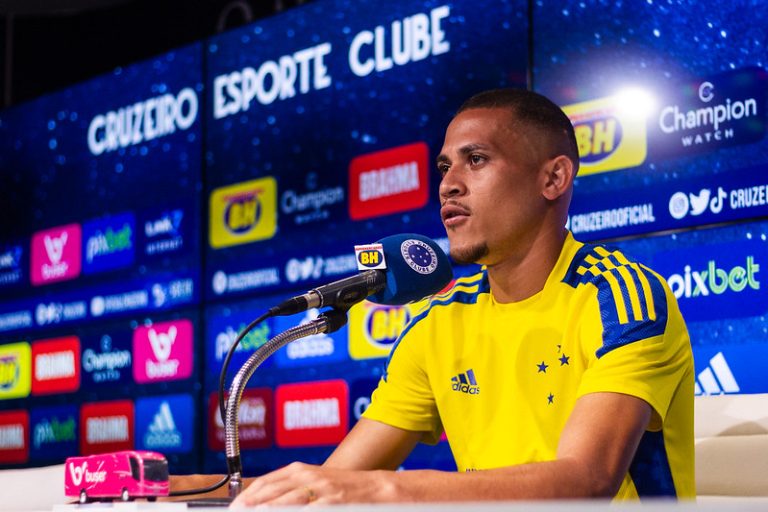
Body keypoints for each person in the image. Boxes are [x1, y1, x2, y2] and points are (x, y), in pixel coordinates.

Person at [228, 88, 695, 506]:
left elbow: (587, 481)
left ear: (553, 179)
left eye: (476, 160)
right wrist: (173, 488)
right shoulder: (438, 320)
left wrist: (383, 489)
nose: (448, 184)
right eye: (445, 166)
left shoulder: (622, 298)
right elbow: (330, 483)